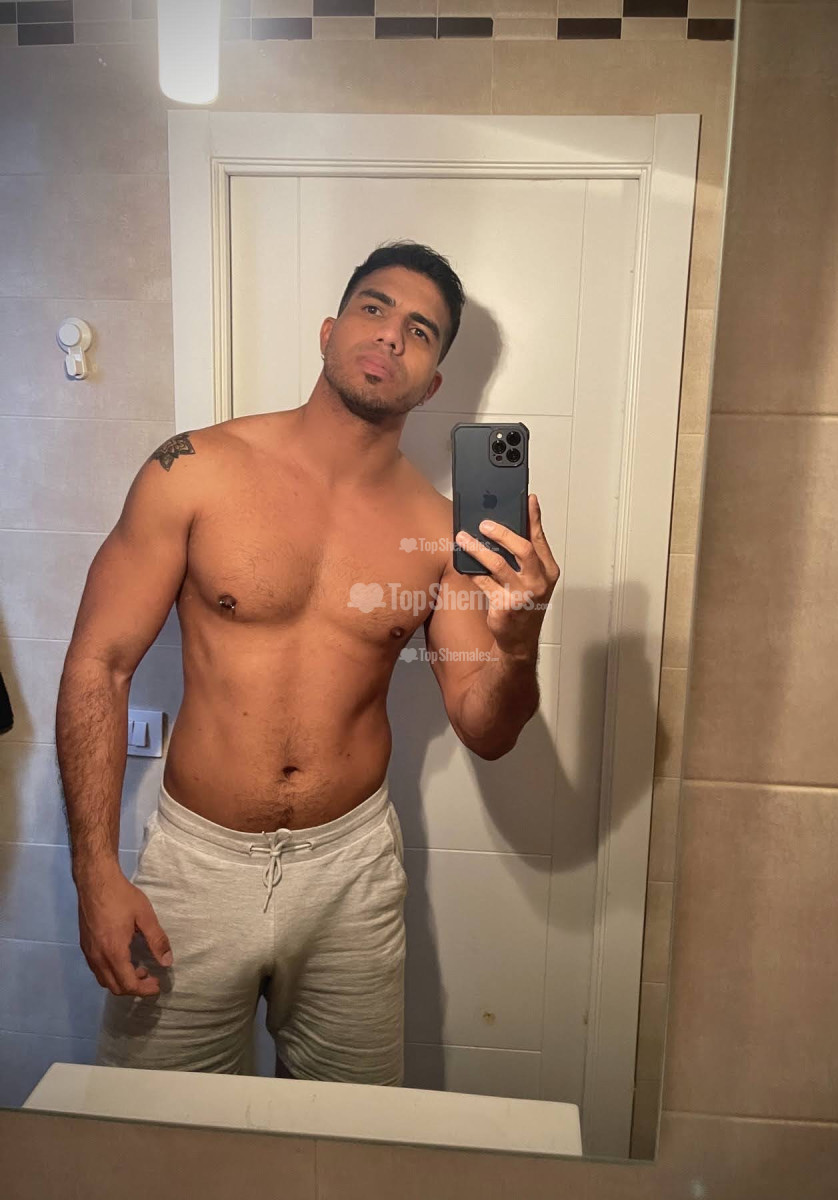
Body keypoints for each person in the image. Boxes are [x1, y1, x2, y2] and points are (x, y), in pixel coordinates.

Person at [56, 240, 559, 1085]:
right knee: (159, 1131)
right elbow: (97, 665)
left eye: (421, 331)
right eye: (375, 307)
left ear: (432, 382)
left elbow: (487, 729)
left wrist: (520, 638)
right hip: (196, 866)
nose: (392, 334)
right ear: (330, 331)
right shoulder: (193, 470)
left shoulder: (439, 533)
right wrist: (95, 872)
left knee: (350, 1137)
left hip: (350, 874)